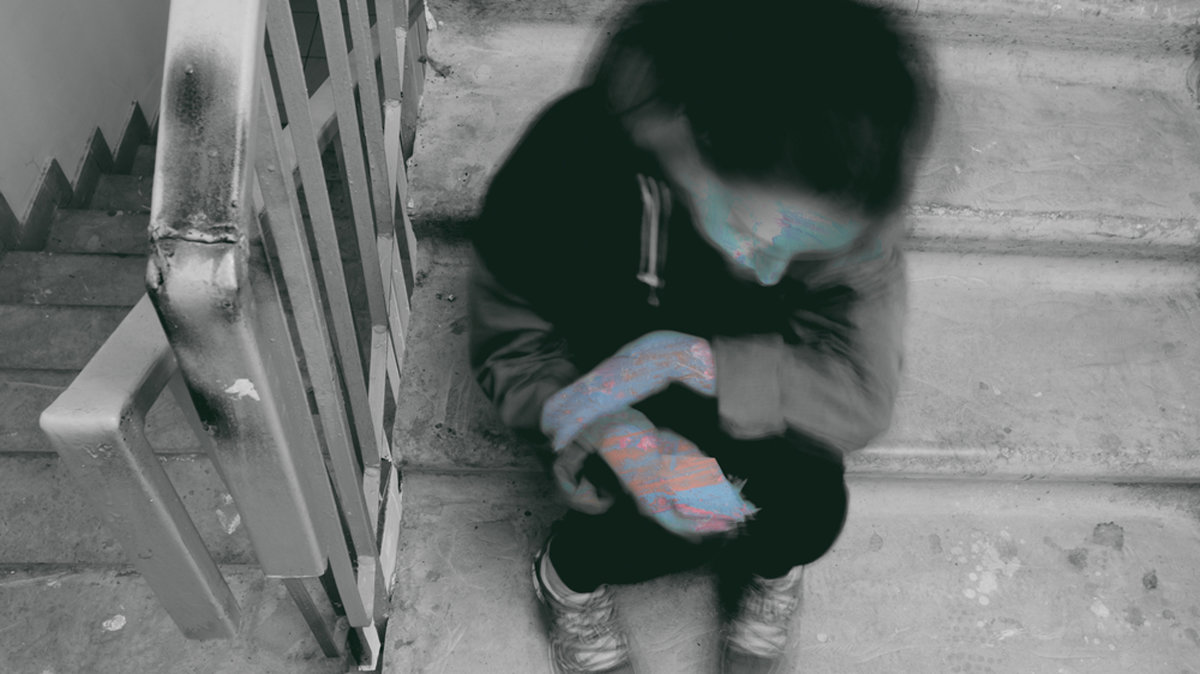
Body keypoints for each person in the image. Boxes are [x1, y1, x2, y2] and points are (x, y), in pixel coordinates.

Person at [467, 0, 937, 671]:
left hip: (756, 377)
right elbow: (513, 344)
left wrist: (686, 359)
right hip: (601, 377)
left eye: (805, 251)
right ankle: (566, 579)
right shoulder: (568, 165)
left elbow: (861, 393)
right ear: (683, 134)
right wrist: (613, 430)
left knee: (811, 510)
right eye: (748, 231)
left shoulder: (846, 174)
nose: (773, 272)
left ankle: (771, 570)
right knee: (639, 530)